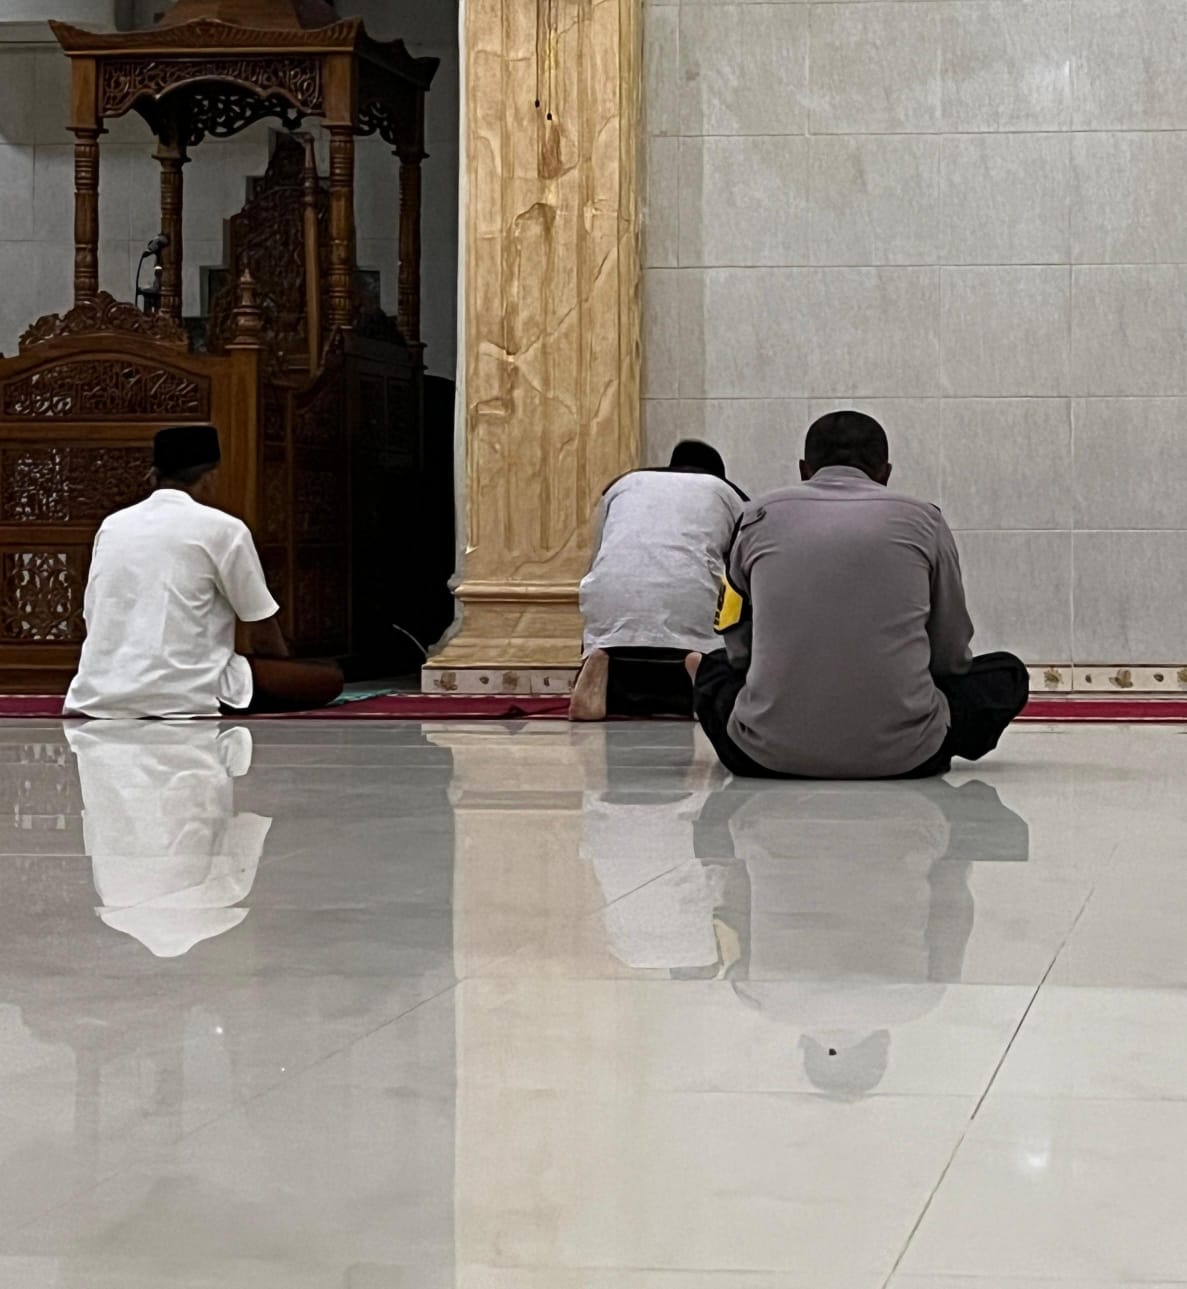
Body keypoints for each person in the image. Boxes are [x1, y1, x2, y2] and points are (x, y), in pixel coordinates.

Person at [692, 410, 1029, 778]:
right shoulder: (925, 521)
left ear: (804, 470)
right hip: (909, 756)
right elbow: (950, 653)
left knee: (714, 669)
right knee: (1007, 673)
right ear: (885, 473)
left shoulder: (756, 517)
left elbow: (738, 648)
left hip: (764, 755)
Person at [64, 424, 343, 719]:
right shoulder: (223, 528)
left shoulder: (111, 526)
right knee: (329, 677)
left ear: (155, 475)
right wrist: (284, 670)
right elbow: (261, 625)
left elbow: (94, 613)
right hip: (191, 691)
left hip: (101, 691)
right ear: (209, 477)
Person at [571, 439, 748, 721]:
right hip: (690, 608)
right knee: (729, 614)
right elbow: (743, 572)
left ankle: (599, 658)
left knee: (609, 617)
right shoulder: (729, 494)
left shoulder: (621, 486)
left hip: (611, 610)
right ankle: (701, 670)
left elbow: (597, 559)